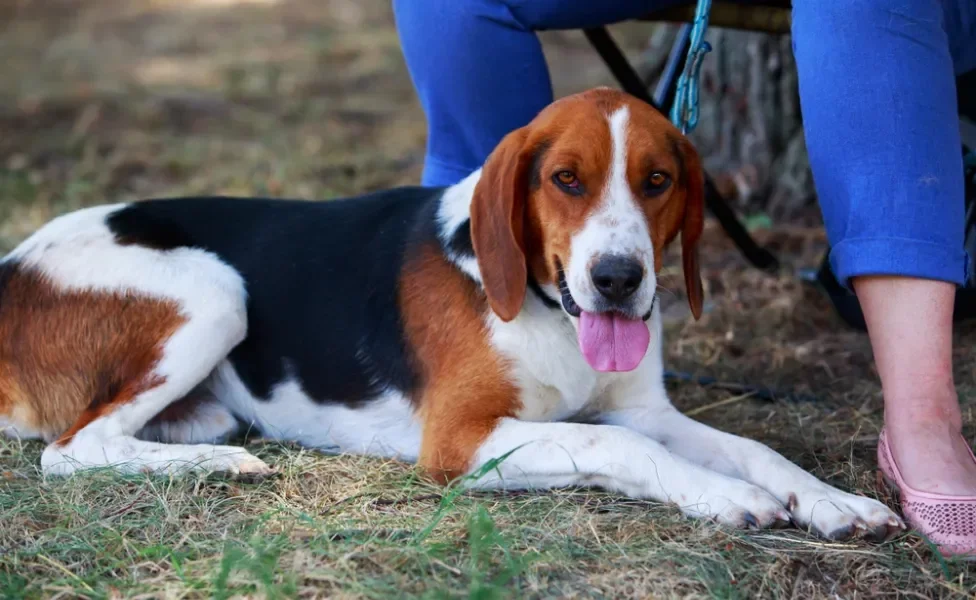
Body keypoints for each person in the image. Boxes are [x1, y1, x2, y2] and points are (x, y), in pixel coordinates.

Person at [391, 0, 976, 555]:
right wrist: (637, 463)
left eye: (653, 185)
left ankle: (923, 419)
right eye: (569, 180)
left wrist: (794, 484)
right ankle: (478, 310)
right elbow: (454, 450)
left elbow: (650, 421)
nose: (617, 246)